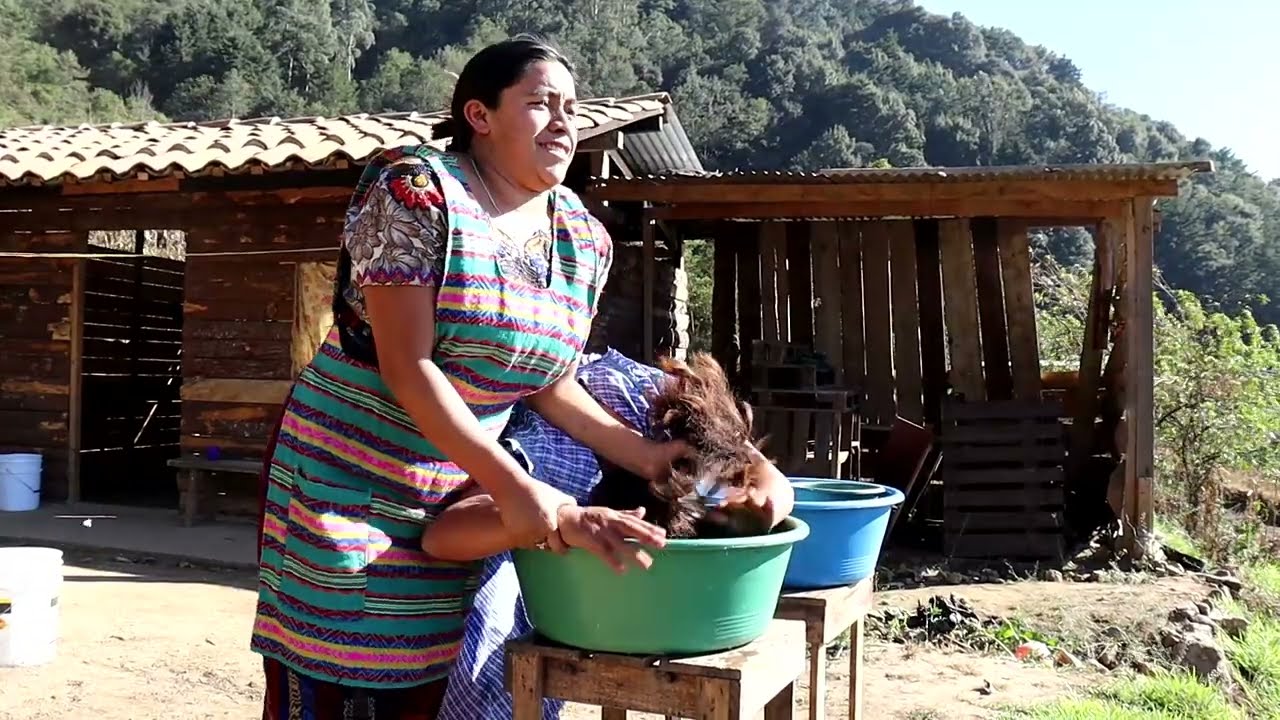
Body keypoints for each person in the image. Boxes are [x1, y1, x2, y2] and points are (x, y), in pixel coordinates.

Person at [250, 37, 689, 720]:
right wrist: (516, 487)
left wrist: (648, 456)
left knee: (445, 672)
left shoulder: (582, 237)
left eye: (572, 108)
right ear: (479, 115)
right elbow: (408, 364)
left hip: (460, 489)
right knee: (338, 673)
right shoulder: (417, 192)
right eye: (541, 103)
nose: (565, 122)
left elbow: (546, 380)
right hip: (349, 472)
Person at [431, 349, 796, 720]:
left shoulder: (698, 438)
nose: (736, 494)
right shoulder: (587, 443)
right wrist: (560, 516)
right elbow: (443, 534)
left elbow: (777, 489)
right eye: (728, 485)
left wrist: (760, 489)